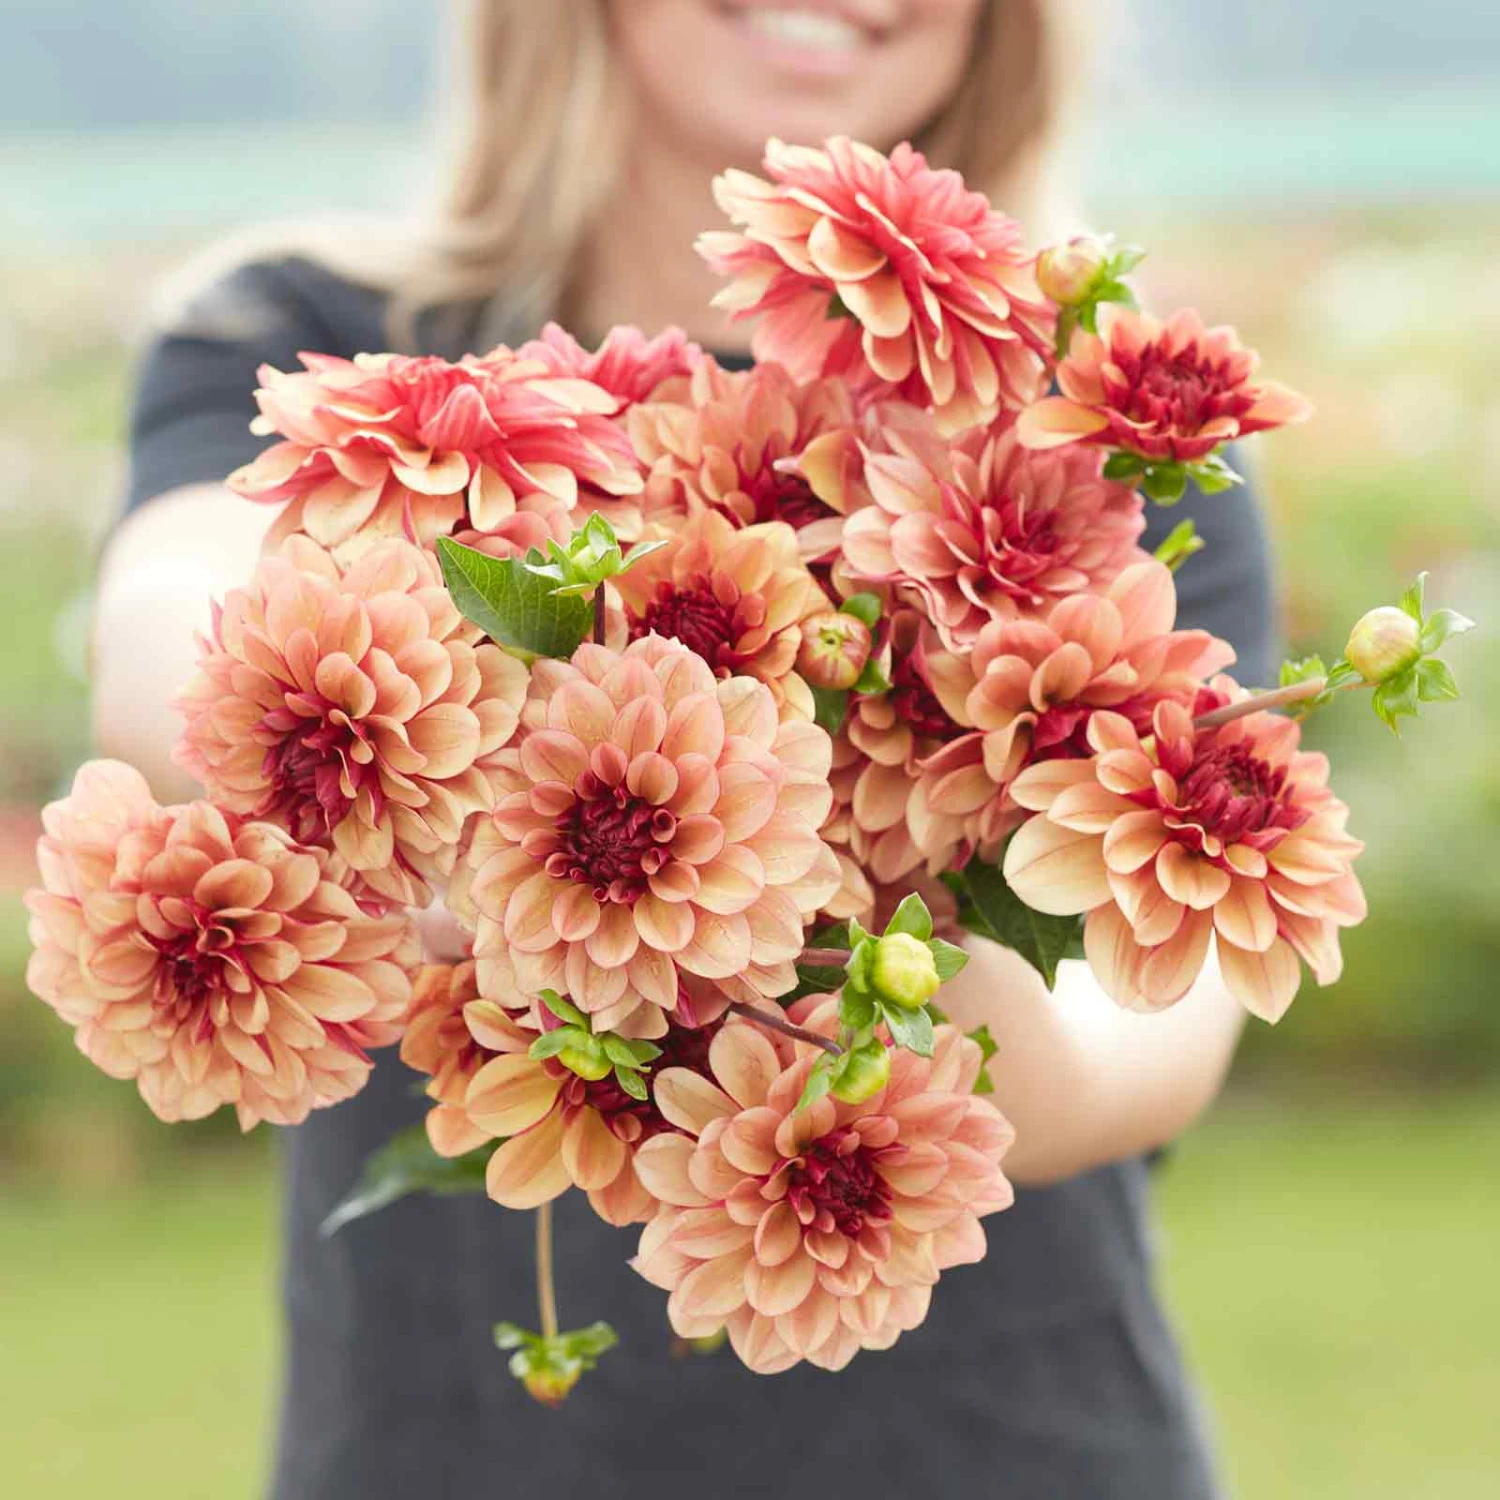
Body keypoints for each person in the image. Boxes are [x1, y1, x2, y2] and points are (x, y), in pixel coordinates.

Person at [98, 3, 1278, 1495]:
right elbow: (165, 651)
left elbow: (1144, 1034)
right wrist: (532, 833)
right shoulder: (312, 335)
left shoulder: (1093, 443)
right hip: (455, 1458)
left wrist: (849, 924)